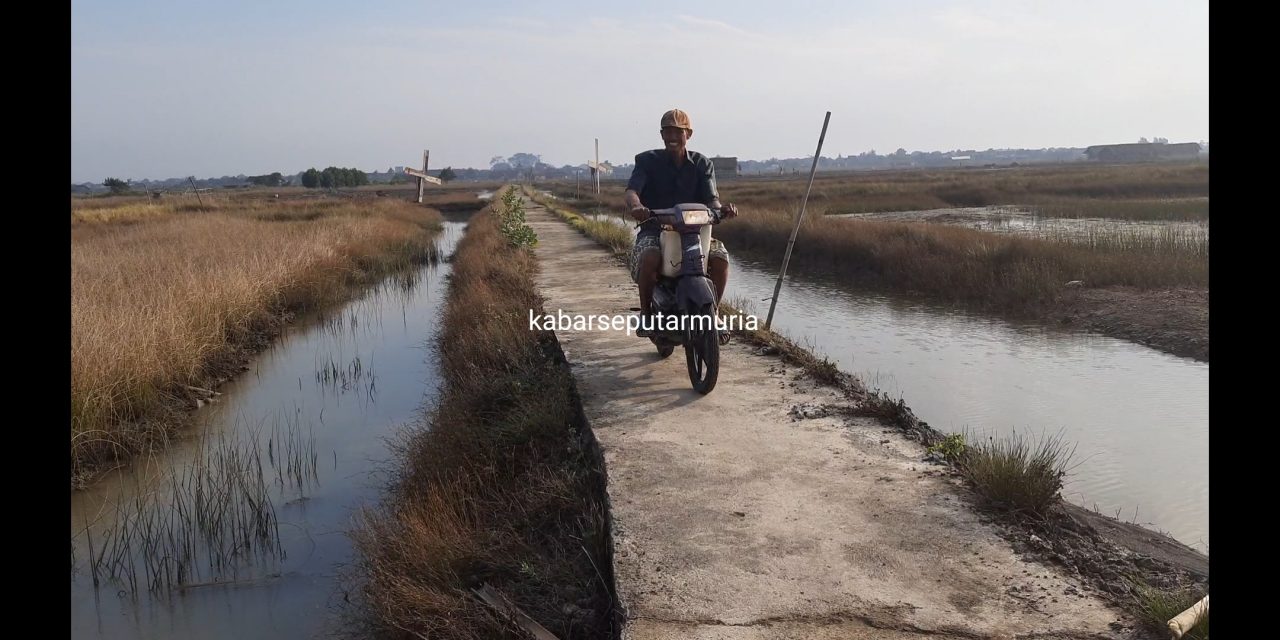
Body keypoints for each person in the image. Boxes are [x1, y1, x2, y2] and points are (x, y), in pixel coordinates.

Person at [623, 108, 737, 337]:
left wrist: (721, 210)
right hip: (656, 227)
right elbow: (632, 190)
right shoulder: (647, 161)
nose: (673, 137)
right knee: (650, 257)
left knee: (721, 258)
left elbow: (712, 199)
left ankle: (713, 312)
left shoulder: (702, 164)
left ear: (689, 134)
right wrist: (637, 207)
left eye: (678, 132)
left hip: (695, 232)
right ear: (662, 135)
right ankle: (646, 314)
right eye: (668, 132)